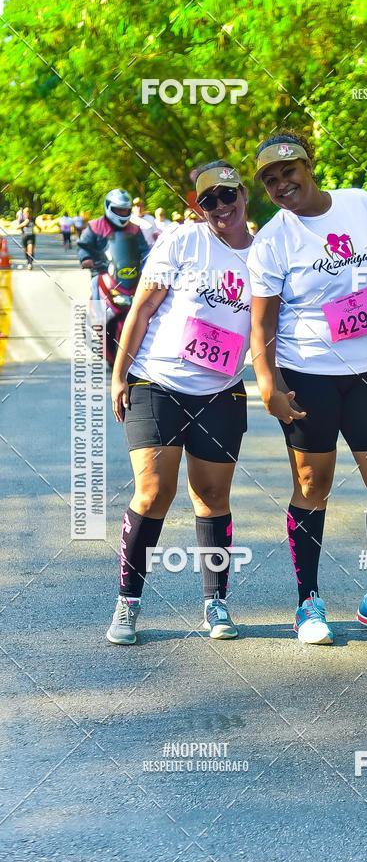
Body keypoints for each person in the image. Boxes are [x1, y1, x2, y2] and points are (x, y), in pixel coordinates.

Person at [248, 131, 367, 645]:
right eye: (271, 180)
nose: (283, 184)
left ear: (310, 165)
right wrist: (269, 385)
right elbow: (261, 327)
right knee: (312, 487)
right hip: (307, 377)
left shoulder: (360, 205)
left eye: (290, 171)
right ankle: (308, 603)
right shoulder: (273, 241)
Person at [106, 161, 253, 645]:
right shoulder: (182, 241)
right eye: (208, 200)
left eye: (227, 195)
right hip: (158, 382)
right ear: (199, 205)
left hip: (221, 390)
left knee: (212, 497)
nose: (220, 207)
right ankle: (128, 603)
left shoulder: (266, 254)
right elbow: (143, 307)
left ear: (243, 195)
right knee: (153, 492)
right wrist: (120, 374)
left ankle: (216, 602)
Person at [78, 189, 149, 275]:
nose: (123, 213)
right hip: (101, 272)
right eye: (119, 210)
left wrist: (148, 260)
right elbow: (84, 246)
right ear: (108, 206)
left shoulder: (135, 229)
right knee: (95, 284)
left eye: (125, 210)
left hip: (130, 274)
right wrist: (86, 258)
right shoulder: (95, 226)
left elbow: (144, 250)